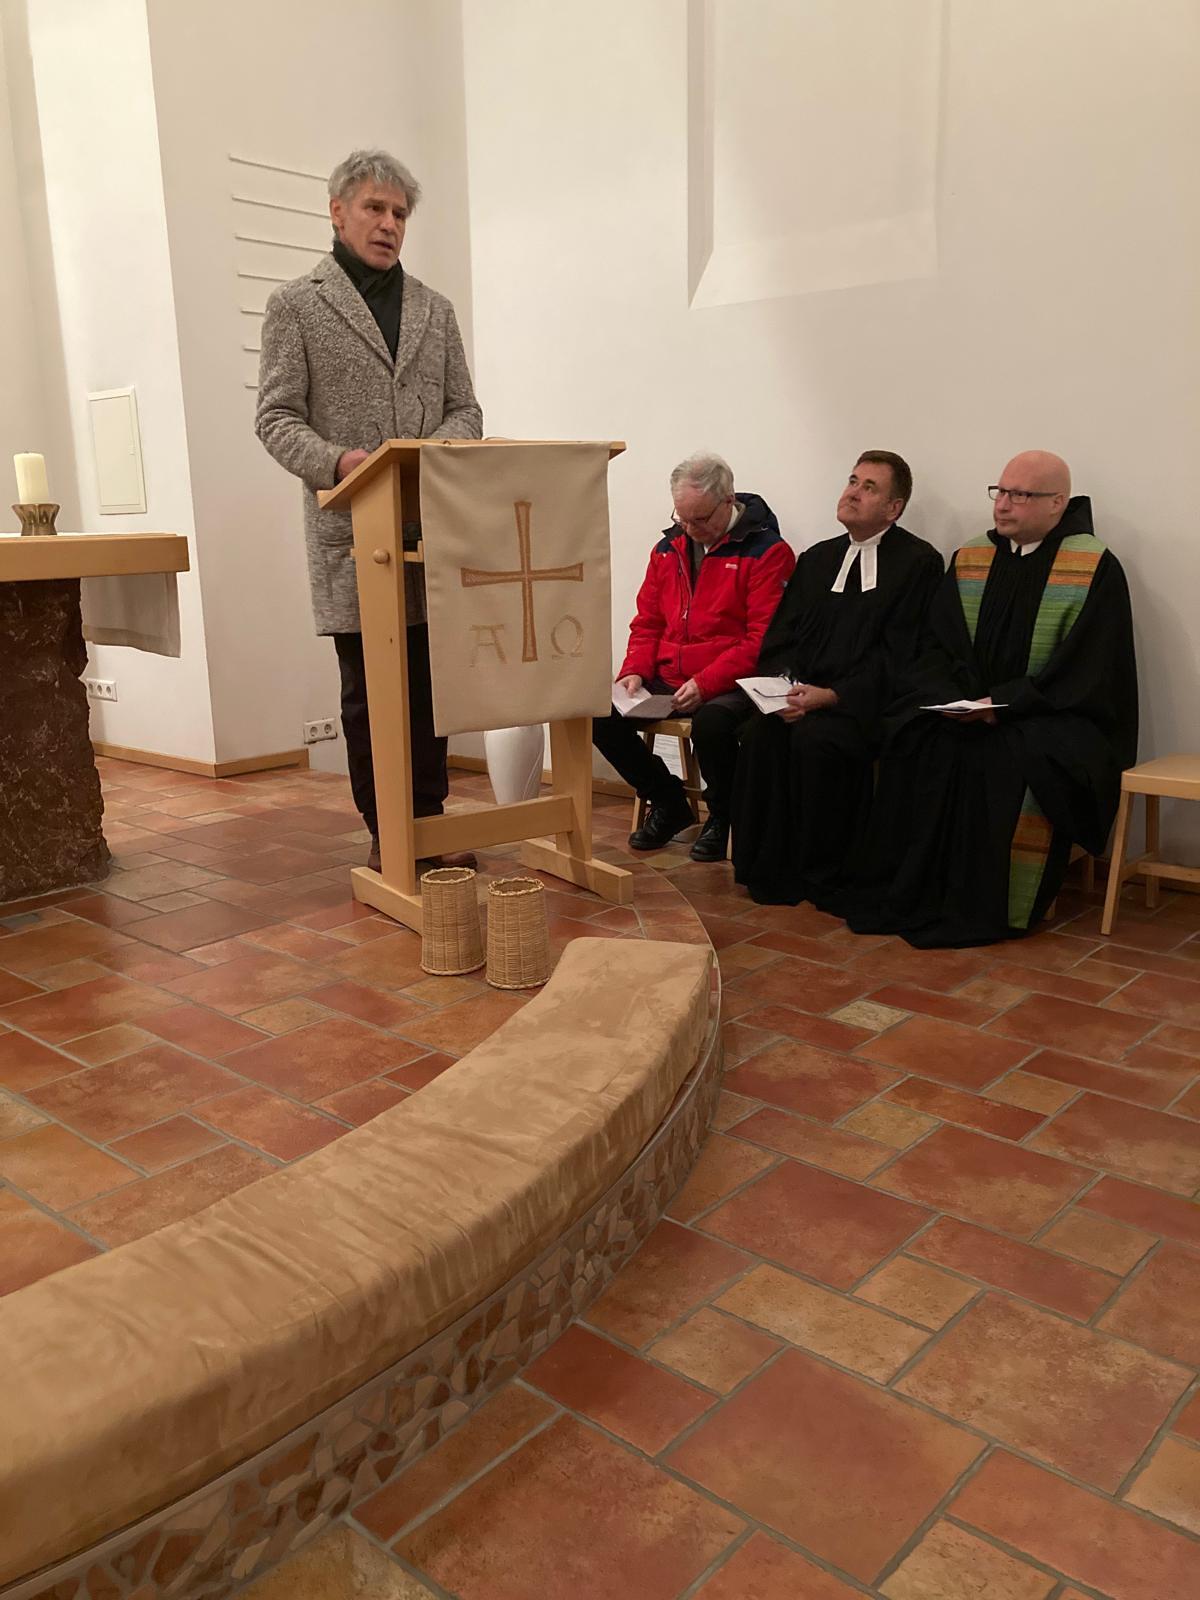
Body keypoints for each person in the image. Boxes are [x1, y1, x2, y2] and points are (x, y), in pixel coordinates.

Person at [255, 149, 482, 871]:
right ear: (337, 212)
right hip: (354, 531)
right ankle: (390, 830)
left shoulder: (434, 310)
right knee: (370, 693)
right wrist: (340, 463)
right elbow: (275, 417)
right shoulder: (296, 305)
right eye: (375, 208)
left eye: (400, 213)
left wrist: (424, 456)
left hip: (429, 528)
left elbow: (466, 410)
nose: (389, 224)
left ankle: (429, 824)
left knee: (429, 689)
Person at [840, 451, 1137, 948]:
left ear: (1057, 502)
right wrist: (956, 701)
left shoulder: (1093, 566)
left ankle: (991, 904)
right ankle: (917, 889)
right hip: (969, 709)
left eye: (1020, 495)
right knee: (914, 737)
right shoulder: (972, 557)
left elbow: (1088, 671)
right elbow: (936, 647)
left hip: (1049, 716)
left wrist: (1004, 704)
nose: (1002, 505)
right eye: (1000, 492)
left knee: (1004, 760)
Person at [731, 451, 943, 905]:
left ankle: (822, 873)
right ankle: (768, 870)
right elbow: (782, 636)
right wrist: (784, 691)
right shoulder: (817, 559)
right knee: (760, 735)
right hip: (800, 698)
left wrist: (832, 696)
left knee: (818, 741)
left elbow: (902, 654)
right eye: (852, 481)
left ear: (894, 508)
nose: (852, 492)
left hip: (863, 706)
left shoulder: (917, 563)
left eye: (869, 487)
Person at [593, 453, 794, 860]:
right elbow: (648, 622)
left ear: (728, 501)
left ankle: (722, 815)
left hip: (733, 680)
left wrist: (705, 683)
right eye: (681, 518)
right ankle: (668, 801)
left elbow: (761, 641)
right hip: (670, 675)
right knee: (594, 712)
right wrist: (634, 671)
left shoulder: (768, 552)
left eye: (699, 519)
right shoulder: (668, 549)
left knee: (713, 724)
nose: (688, 529)